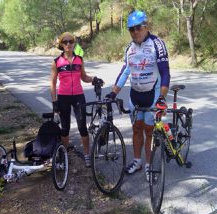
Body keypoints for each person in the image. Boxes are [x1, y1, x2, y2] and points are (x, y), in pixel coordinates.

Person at [105, 10, 170, 181]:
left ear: (146, 26)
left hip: (152, 94)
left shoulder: (157, 44)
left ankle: (149, 165)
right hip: (135, 95)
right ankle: (137, 161)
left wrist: (162, 97)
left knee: (149, 131)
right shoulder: (129, 48)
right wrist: (113, 92)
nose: (135, 32)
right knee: (136, 129)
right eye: (131, 29)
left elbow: (165, 72)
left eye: (138, 28)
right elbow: (125, 71)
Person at [50, 32, 104, 167]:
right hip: (63, 97)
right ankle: (65, 155)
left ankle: (87, 155)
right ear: (61, 44)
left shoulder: (79, 59)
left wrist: (94, 79)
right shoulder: (57, 62)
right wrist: (54, 102)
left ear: (74, 43)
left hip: (79, 96)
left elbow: (84, 77)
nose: (68, 44)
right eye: (65, 42)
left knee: (82, 127)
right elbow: (52, 83)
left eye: (70, 41)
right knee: (65, 128)